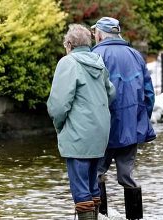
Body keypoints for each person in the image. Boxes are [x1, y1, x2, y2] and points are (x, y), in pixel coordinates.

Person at [47, 24, 116, 220]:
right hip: (100, 132)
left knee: (80, 189)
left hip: (78, 134)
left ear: (69, 44)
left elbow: (58, 105)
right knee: (92, 185)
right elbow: (111, 93)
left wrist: (59, 126)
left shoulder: (67, 63)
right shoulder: (98, 61)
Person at [91, 17, 156, 219]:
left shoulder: (95, 55)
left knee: (96, 174)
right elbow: (149, 94)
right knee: (127, 176)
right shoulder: (136, 55)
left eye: (95, 33)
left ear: (100, 34)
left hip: (105, 129)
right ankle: (135, 218)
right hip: (131, 128)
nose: (94, 36)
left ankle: (100, 215)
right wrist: (141, 121)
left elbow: (91, 94)